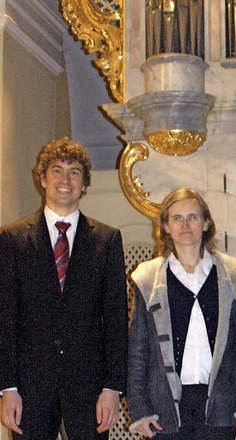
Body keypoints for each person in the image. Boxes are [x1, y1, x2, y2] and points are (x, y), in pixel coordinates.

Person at [0, 137, 128, 439]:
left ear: (84, 183)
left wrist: (112, 388)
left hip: (90, 388)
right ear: (42, 179)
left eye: (74, 172)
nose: (65, 179)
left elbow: (115, 319)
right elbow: (5, 318)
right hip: (30, 388)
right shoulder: (12, 239)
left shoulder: (107, 240)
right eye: (56, 170)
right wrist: (8, 387)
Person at [127, 188, 236, 439]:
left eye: (193, 217)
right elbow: (138, 350)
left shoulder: (233, 275)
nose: (185, 225)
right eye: (177, 218)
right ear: (166, 226)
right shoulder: (148, 278)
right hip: (165, 407)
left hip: (219, 406)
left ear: (206, 223)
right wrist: (140, 408)